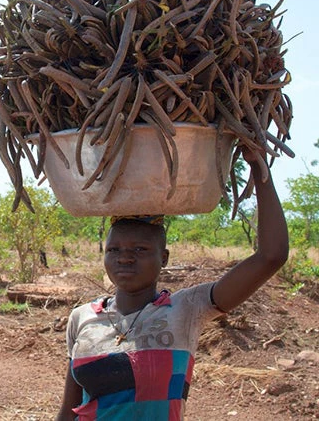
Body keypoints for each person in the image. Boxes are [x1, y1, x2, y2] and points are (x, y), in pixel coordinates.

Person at [57, 150, 289, 420]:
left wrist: (258, 167)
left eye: (140, 249)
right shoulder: (82, 317)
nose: (125, 258)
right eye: (114, 249)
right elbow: (68, 410)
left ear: (164, 258)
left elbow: (272, 256)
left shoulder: (187, 309)